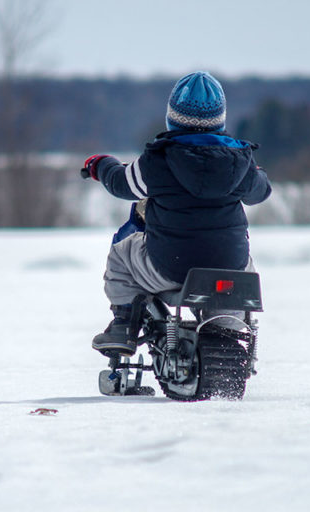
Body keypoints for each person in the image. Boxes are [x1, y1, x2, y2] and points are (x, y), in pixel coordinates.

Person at [82, 71, 271, 357]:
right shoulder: (240, 161)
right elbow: (261, 193)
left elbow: (123, 185)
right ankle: (228, 327)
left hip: (170, 266)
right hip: (229, 266)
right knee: (243, 266)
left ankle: (124, 323)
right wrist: (255, 174)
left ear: (172, 116)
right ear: (220, 118)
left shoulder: (158, 160)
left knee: (122, 252)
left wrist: (102, 165)